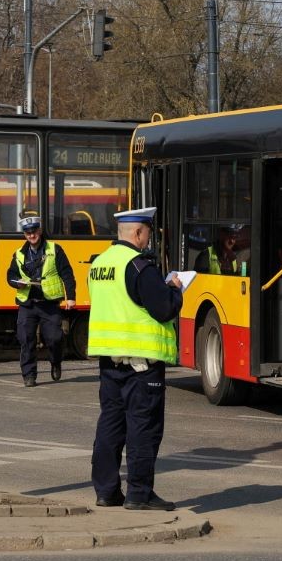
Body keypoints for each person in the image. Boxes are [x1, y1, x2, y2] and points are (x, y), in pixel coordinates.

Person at [87, 206, 183, 510]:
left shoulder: (99, 264)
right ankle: (139, 495)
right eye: (148, 233)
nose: (148, 239)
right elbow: (164, 308)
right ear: (138, 233)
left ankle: (106, 491)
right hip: (142, 365)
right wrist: (176, 290)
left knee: (110, 426)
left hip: (109, 362)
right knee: (143, 428)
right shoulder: (140, 267)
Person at [5, 215, 76, 387]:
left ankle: (56, 361)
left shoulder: (55, 250)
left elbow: (67, 273)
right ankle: (29, 375)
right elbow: (11, 275)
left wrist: (71, 297)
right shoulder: (19, 254)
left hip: (49, 304)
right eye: (28, 232)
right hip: (27, 303)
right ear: (24, 235)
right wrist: (17, 283)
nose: (31, 235)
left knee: (55, 339)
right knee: (26, 339)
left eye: (34, 231)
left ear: (40, 230)